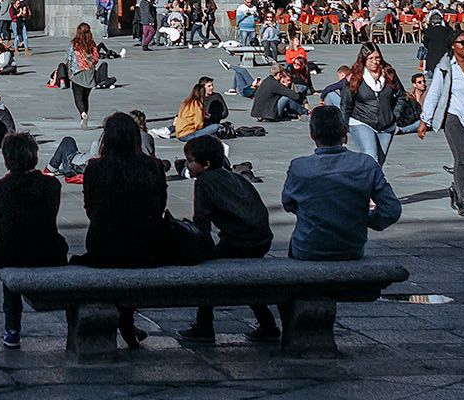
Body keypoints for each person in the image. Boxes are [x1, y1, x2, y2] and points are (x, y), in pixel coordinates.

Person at [73, 113, 203, 350]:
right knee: (132, 251)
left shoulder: (95, 168)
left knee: (116, 258)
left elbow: (91, 210)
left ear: (106, 138)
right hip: (147, 244)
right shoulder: (152, 166)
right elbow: (160, 206)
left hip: (104, 244)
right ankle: (126, 322)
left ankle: (123, 323)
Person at [0, 132, 68, 349]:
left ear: (6, 158)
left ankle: (12, 329)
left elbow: (0, 227)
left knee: (7, 258)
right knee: (20, 245)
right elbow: (50, 218)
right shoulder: (51, 186)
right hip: (47, 251)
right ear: (34, 156)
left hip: (11, 252)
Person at [177, 134, 280, 344]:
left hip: (240, 241)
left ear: (204, 164)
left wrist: (200, 250)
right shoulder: (234, 177)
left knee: (209, 277)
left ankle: (204, 325)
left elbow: (202, 224)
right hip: (260, 238)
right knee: (247, 281)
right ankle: (267, 322)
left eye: (190, 161)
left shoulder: (204, 182)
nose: (188, 166)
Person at [282, 106, 402, 259]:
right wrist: (362, 218)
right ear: (345, 132)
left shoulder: (299, 167)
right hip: (350, 248)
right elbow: (391, 209)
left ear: (312, 134)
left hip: (308, 247)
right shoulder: (365, 164)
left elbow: (288, 203)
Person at [417, 32, 464, 216]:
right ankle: (462, 201)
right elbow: (434, 93)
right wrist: (425, 120)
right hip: (453, 115)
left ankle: (455, 187)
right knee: (462, 157)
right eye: (462, 43)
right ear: (453, 46)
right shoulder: (445, 67)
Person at [344, 44, 407, 165]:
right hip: (362, 122)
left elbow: (401, 95)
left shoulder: (389, 74)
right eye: (371, 58)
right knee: (372, 159)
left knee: (379, 163)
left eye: (377, 58)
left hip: (386, 124)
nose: (375, 62)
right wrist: (343, 127)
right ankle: (369, 182)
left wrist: (395, 115)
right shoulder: (355, 77)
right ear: (364, 59)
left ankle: (366, 183)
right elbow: (346, 103)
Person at [68, 24, 99, 127]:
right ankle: (84, 117)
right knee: (85, 97)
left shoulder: (74, 44)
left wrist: (69, 74)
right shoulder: (92, 44)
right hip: (89, 74)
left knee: (78, 97)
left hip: (77, 73)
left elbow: (69, 59)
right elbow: (96, 59)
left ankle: (83, 114)